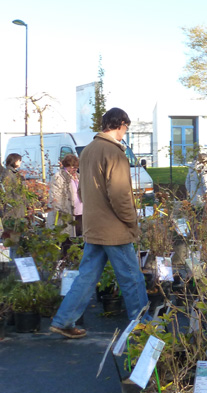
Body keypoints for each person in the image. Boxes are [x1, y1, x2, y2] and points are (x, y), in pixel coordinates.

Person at [50, 108, 148, 339]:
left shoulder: (89, 150)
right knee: (132, 279)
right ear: (121, 124)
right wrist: (131, 222)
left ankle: (63, 320)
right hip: (115, 230)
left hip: (93, 226)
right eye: (126, 128)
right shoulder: (114, 152)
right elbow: (120, 195)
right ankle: (143, 328)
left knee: (86, 277)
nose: (126, 132)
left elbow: (82, 191)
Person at [48, 154, 82, 237]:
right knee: (67, 237)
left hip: (80, 212)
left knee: (79, 237)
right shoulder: (59, 177)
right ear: (67, 165)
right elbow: (55, 196)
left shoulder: (78, 177)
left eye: (76, 167)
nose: (75, 169)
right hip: (67, 212)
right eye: (73, 167)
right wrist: (61, 210)